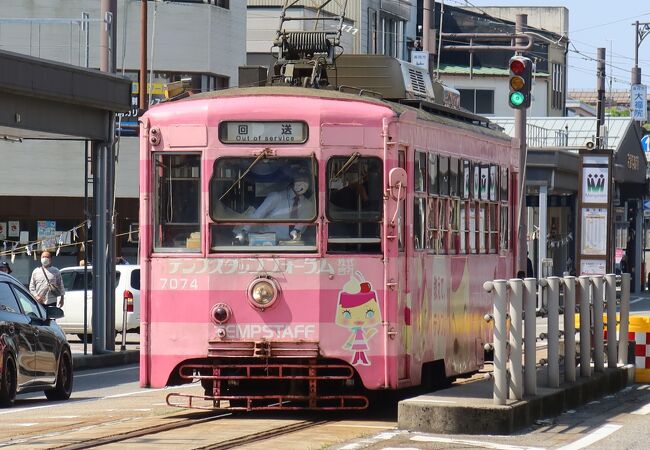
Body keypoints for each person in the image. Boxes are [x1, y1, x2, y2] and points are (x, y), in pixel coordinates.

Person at [235, 174, 312, 243]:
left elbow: (301, 223)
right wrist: (244, 231)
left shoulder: (308, 205)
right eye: (299, 179)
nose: (302, 184)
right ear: (292, 182)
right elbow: (258, 215)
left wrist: (296, 231)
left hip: (290, 244)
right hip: (267, 242)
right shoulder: (276, 197)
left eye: (305, 180)